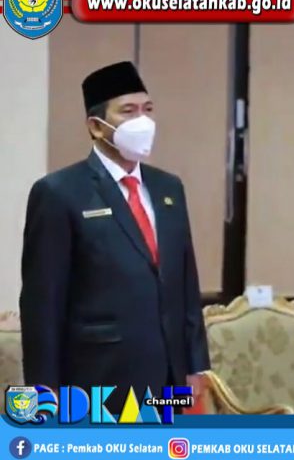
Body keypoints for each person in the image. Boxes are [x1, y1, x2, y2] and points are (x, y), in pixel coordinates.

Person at [20, 61, 210, 413]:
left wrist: (196, 363)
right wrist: (44, 390)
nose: (143, 121)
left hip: (168, 375)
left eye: (147, 109)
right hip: (96, 378)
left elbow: (185, 280)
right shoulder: (60, 192)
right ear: (96, 126)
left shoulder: (169, 188)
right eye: (128, 111)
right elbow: (42, 302)